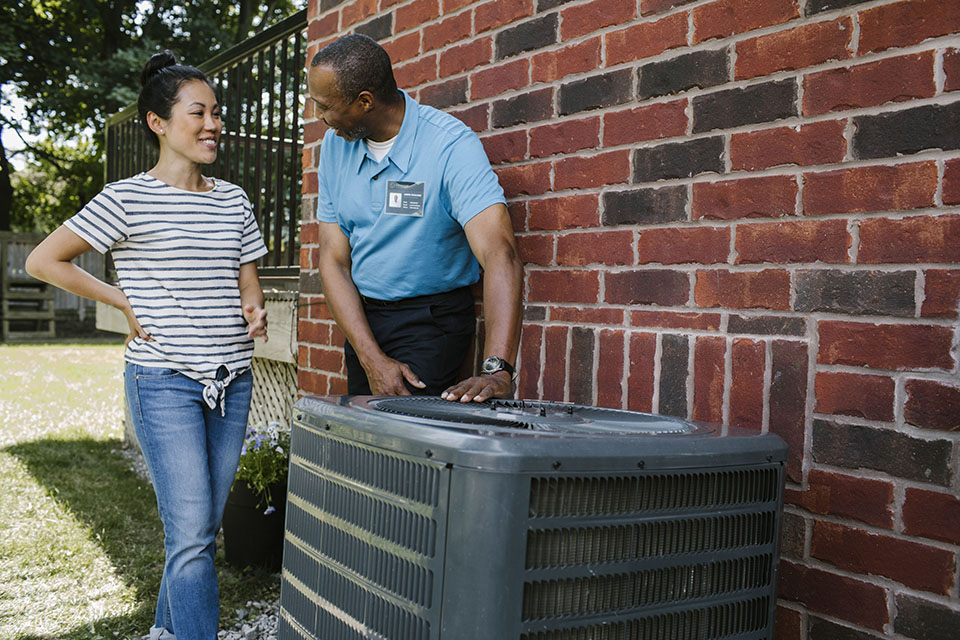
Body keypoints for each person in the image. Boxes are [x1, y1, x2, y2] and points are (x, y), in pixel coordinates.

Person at [25, 51, 269, 640]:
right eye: (198, 112)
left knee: (200, 531)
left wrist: (253, 308)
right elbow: (44, 260)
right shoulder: (125, 198)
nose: (213, 124)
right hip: (163, 380)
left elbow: (247, 280)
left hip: (232, 381)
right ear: (158, 122)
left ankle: (165, 630)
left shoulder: (234, 200)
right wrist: (121, 299)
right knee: (191, 535)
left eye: (217, 112)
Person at [308, 34, 523, 402]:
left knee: (404, 432)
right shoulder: (334, 146)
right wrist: (370, 356)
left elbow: (500, 252)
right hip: (364, 324)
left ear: (364, 102)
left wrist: (497, 369)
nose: (319, 117)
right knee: (362, 433)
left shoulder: (450, 145)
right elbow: (333, 259)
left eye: (324, 106)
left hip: (430, 322)